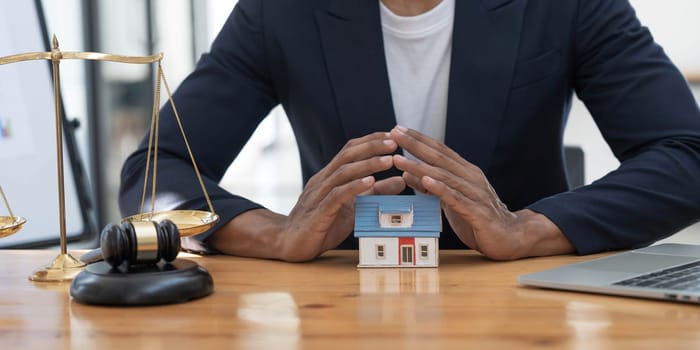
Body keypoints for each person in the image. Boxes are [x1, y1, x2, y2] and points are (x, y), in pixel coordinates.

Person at [119, 0, 700, 262]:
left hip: (525, 304)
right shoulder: (281, 11)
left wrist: (528, 229)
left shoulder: (568, 5)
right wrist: (273, 234)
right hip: (344, 311)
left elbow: (686, 156)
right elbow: (157, 171)